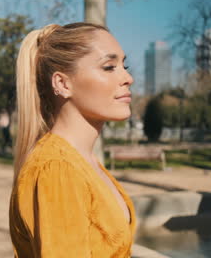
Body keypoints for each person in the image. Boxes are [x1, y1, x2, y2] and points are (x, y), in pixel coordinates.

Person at [9, 22, 136, 258]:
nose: (128, 78)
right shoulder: (57, 169)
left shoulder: (80, 160)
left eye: (124, 65)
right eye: (109, 67)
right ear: (63, 84)